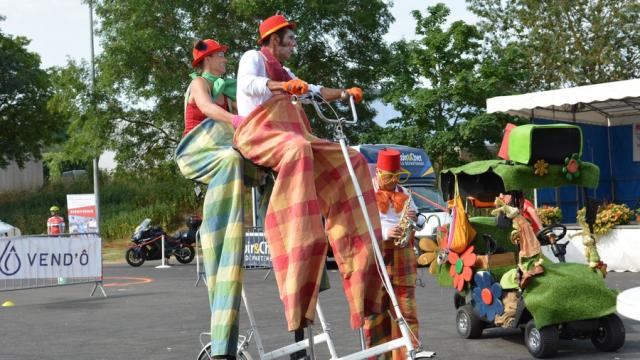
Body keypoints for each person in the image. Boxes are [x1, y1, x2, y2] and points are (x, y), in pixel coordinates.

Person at [234, 13, 384, 333]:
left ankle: (358, 259)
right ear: (274, 39)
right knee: (299, 149)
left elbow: (313, 91)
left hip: (294, 136)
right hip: (260, 133)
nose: (294, 45)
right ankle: (297, 231)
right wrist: (283, 86)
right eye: (291, 40)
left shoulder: (287, 71)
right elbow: (247, 85)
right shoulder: (253, 58)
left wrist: (344, 93)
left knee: (352, 159)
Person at [174, 38, 263, 359]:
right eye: (222, 56)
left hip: (223, 147)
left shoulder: (226, 88)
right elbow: (209, 110)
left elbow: (249, 114)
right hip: (198, 149)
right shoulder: (199, 82)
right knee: (230, 158)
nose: (227, 59)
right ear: (208, 59)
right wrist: (236, 121)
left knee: (258, 161)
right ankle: (218, 231)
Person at [363, 149, 423, 360]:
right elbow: (361, 224)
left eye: (396, 176)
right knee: (375, 313)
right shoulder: (366, 193)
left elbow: (419, 220)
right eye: (389, 177)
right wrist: (385, 232)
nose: (392, 181)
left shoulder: (405, 193)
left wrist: (415, 219)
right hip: (377, 257)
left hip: (403, 258)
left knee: (407, 312)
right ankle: (376, 356)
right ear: (378, 173)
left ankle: (407, 355)